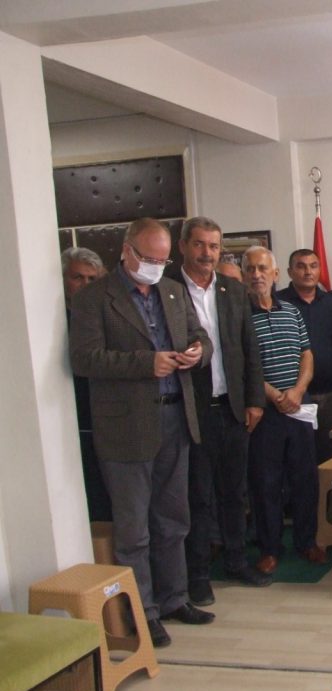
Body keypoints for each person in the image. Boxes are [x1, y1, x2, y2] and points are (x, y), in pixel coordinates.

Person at [69, 218, 214, 648]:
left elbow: (200, 335)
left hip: (175, 417)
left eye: (162, 260)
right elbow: (84, 359)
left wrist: (197, 352)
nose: (155, 266)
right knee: (134, 530)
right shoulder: (95, 297)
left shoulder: (172, 290)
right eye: (149, 258)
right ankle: (142, 611)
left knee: (174, 520)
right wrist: (145, 364)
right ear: (126, 250)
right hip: (126, 427)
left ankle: (174, 598)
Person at [174, 217, 269, 607]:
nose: (207, 253)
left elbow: (249, 350)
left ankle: (235, 561)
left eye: (214, 246)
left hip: (232, 408)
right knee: (198, 496)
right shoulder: (168, 289)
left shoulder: (233, 291)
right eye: (199, 244)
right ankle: (198, 575)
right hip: (190, 412)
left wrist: (255, 400)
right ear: (183, 246)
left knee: (234, 492)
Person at [243, 246, 324, 575]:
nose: (257, 275)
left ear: (276, 274)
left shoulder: (291, 311)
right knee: (266, 484)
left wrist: (298, 390)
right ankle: (270, 548)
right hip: (264, 414)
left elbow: (307, 353)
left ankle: (306, 541)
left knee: (305, 479)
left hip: (298, 408)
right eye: (250, 269)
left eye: (263, 268)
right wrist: (277, 396)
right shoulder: (238, 315)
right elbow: (243, 366)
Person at [278, 248, 332, 462]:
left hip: (330, 395)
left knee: (331, 457)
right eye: (301, 266)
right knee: (297, 458)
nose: (308, 272)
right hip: (292, 396)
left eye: (313, 266)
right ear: (290, 272)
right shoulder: (277, 303)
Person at [62, 247, 113, 523]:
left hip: (109, 416)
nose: (85, 284)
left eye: (92, 279)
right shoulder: (52, 321)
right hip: (72, 417)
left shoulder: (108, 315)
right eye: (77, 277)